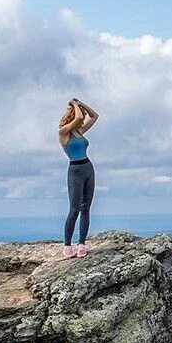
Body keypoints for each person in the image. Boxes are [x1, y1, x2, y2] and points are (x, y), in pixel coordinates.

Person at [58, 98, 99, 257]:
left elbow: (94, 116)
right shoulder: (63, 132)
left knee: (86, 208)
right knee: (74, 209)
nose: (79, 113)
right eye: (76, 112)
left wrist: (80, 103)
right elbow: (80, 118)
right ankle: (67, 246)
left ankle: (82, 244)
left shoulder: (79, 131)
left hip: (88, 168)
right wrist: (74, 104)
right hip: (75, 170)